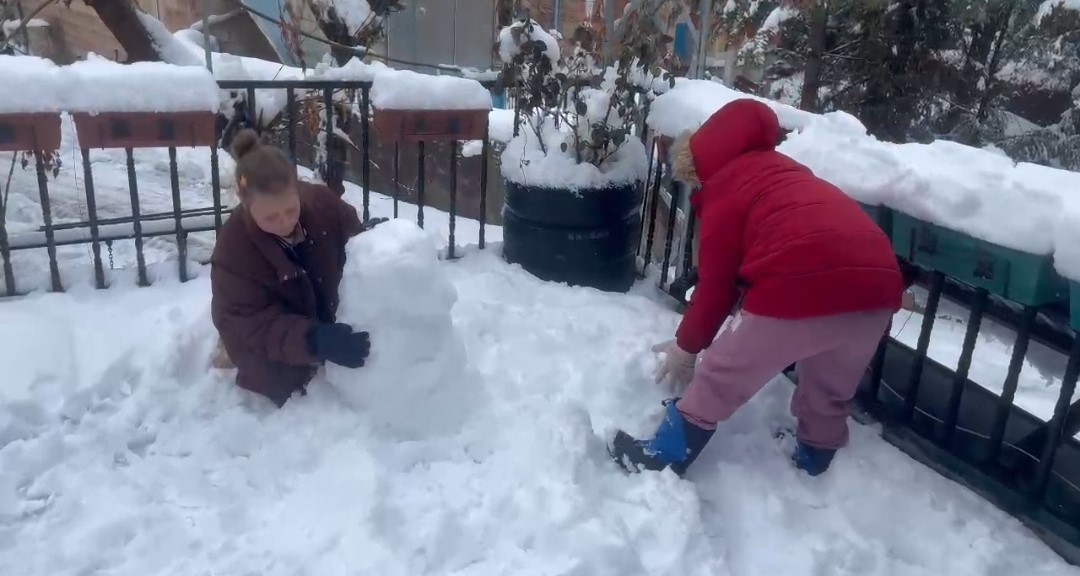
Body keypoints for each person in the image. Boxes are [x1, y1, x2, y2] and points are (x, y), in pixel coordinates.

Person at [609, 99, 904, 477]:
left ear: (695, 165)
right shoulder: (787, 170)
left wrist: (687, 348)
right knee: (830, 385)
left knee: (722, 371)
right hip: (877, 288)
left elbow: (716, 289)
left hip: (800, 282)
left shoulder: (724, 191)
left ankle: (663, 456)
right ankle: (816, 454)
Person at [210, 129, 384, 407]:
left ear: (297, 189)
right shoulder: (233, 252)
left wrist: (376, 240)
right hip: (276, 347)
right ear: (245, 204)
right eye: (270, 216)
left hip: (326, 322)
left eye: (291, 209)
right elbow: (251, 323)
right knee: (281, 375)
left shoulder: (324, 204)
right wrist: (313, 339)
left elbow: (354, 240)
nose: (283, 222)